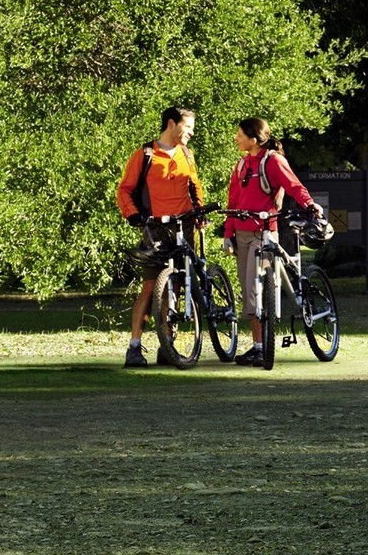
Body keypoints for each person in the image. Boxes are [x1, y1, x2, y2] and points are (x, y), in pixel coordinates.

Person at [224, 117, 322, 366]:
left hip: (266, 232)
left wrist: (310, 205)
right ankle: (258, 346)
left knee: (257, 287)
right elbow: (233, 204)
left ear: (253, 139)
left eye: (239, 134)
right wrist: (229, 234)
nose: (236, 138)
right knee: (248, 291)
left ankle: (262, 346)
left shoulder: (273, 161)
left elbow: (293, 185)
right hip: (243, 235)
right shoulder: (241, 165)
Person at [115, 106, 206, 367]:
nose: (191, 132)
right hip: (154, 227)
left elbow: (194, 186)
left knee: (175, 287)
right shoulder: (145, 155)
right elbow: (125, 190)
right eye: (187, 127)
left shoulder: (187, 154)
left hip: (185, 228)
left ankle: (168, 344)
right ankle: (134, 346)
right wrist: (133, 216)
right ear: (171, 124)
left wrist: (199, 212)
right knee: (150, 287)